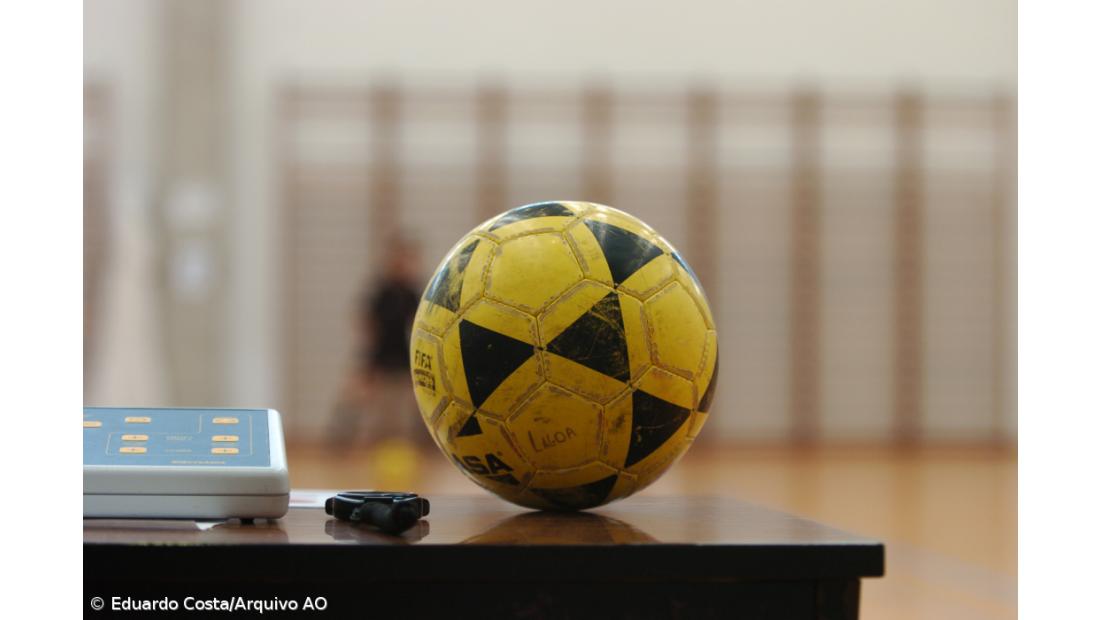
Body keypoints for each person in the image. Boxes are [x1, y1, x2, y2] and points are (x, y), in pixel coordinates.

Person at [329, 237, 424, 449]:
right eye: (400, 258)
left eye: (409, 259)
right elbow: (364, 318)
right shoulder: (382, 290)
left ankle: (426, 443)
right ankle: (340, 439)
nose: (404, 264)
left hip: (402, 352)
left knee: (419, 398)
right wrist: (369, 352)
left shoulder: (412, 293)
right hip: (379, 353)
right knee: (356, 396)